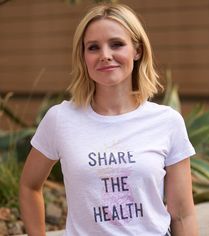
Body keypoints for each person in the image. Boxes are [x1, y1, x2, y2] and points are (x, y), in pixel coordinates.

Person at [19, 3, 198, 236]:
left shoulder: (167, 121)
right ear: (83, 56)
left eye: (117, 44)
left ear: (137, 50)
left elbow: (183, 213)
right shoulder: (60, 119)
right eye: (93, 47)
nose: (105, 56)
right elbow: (29, 186)